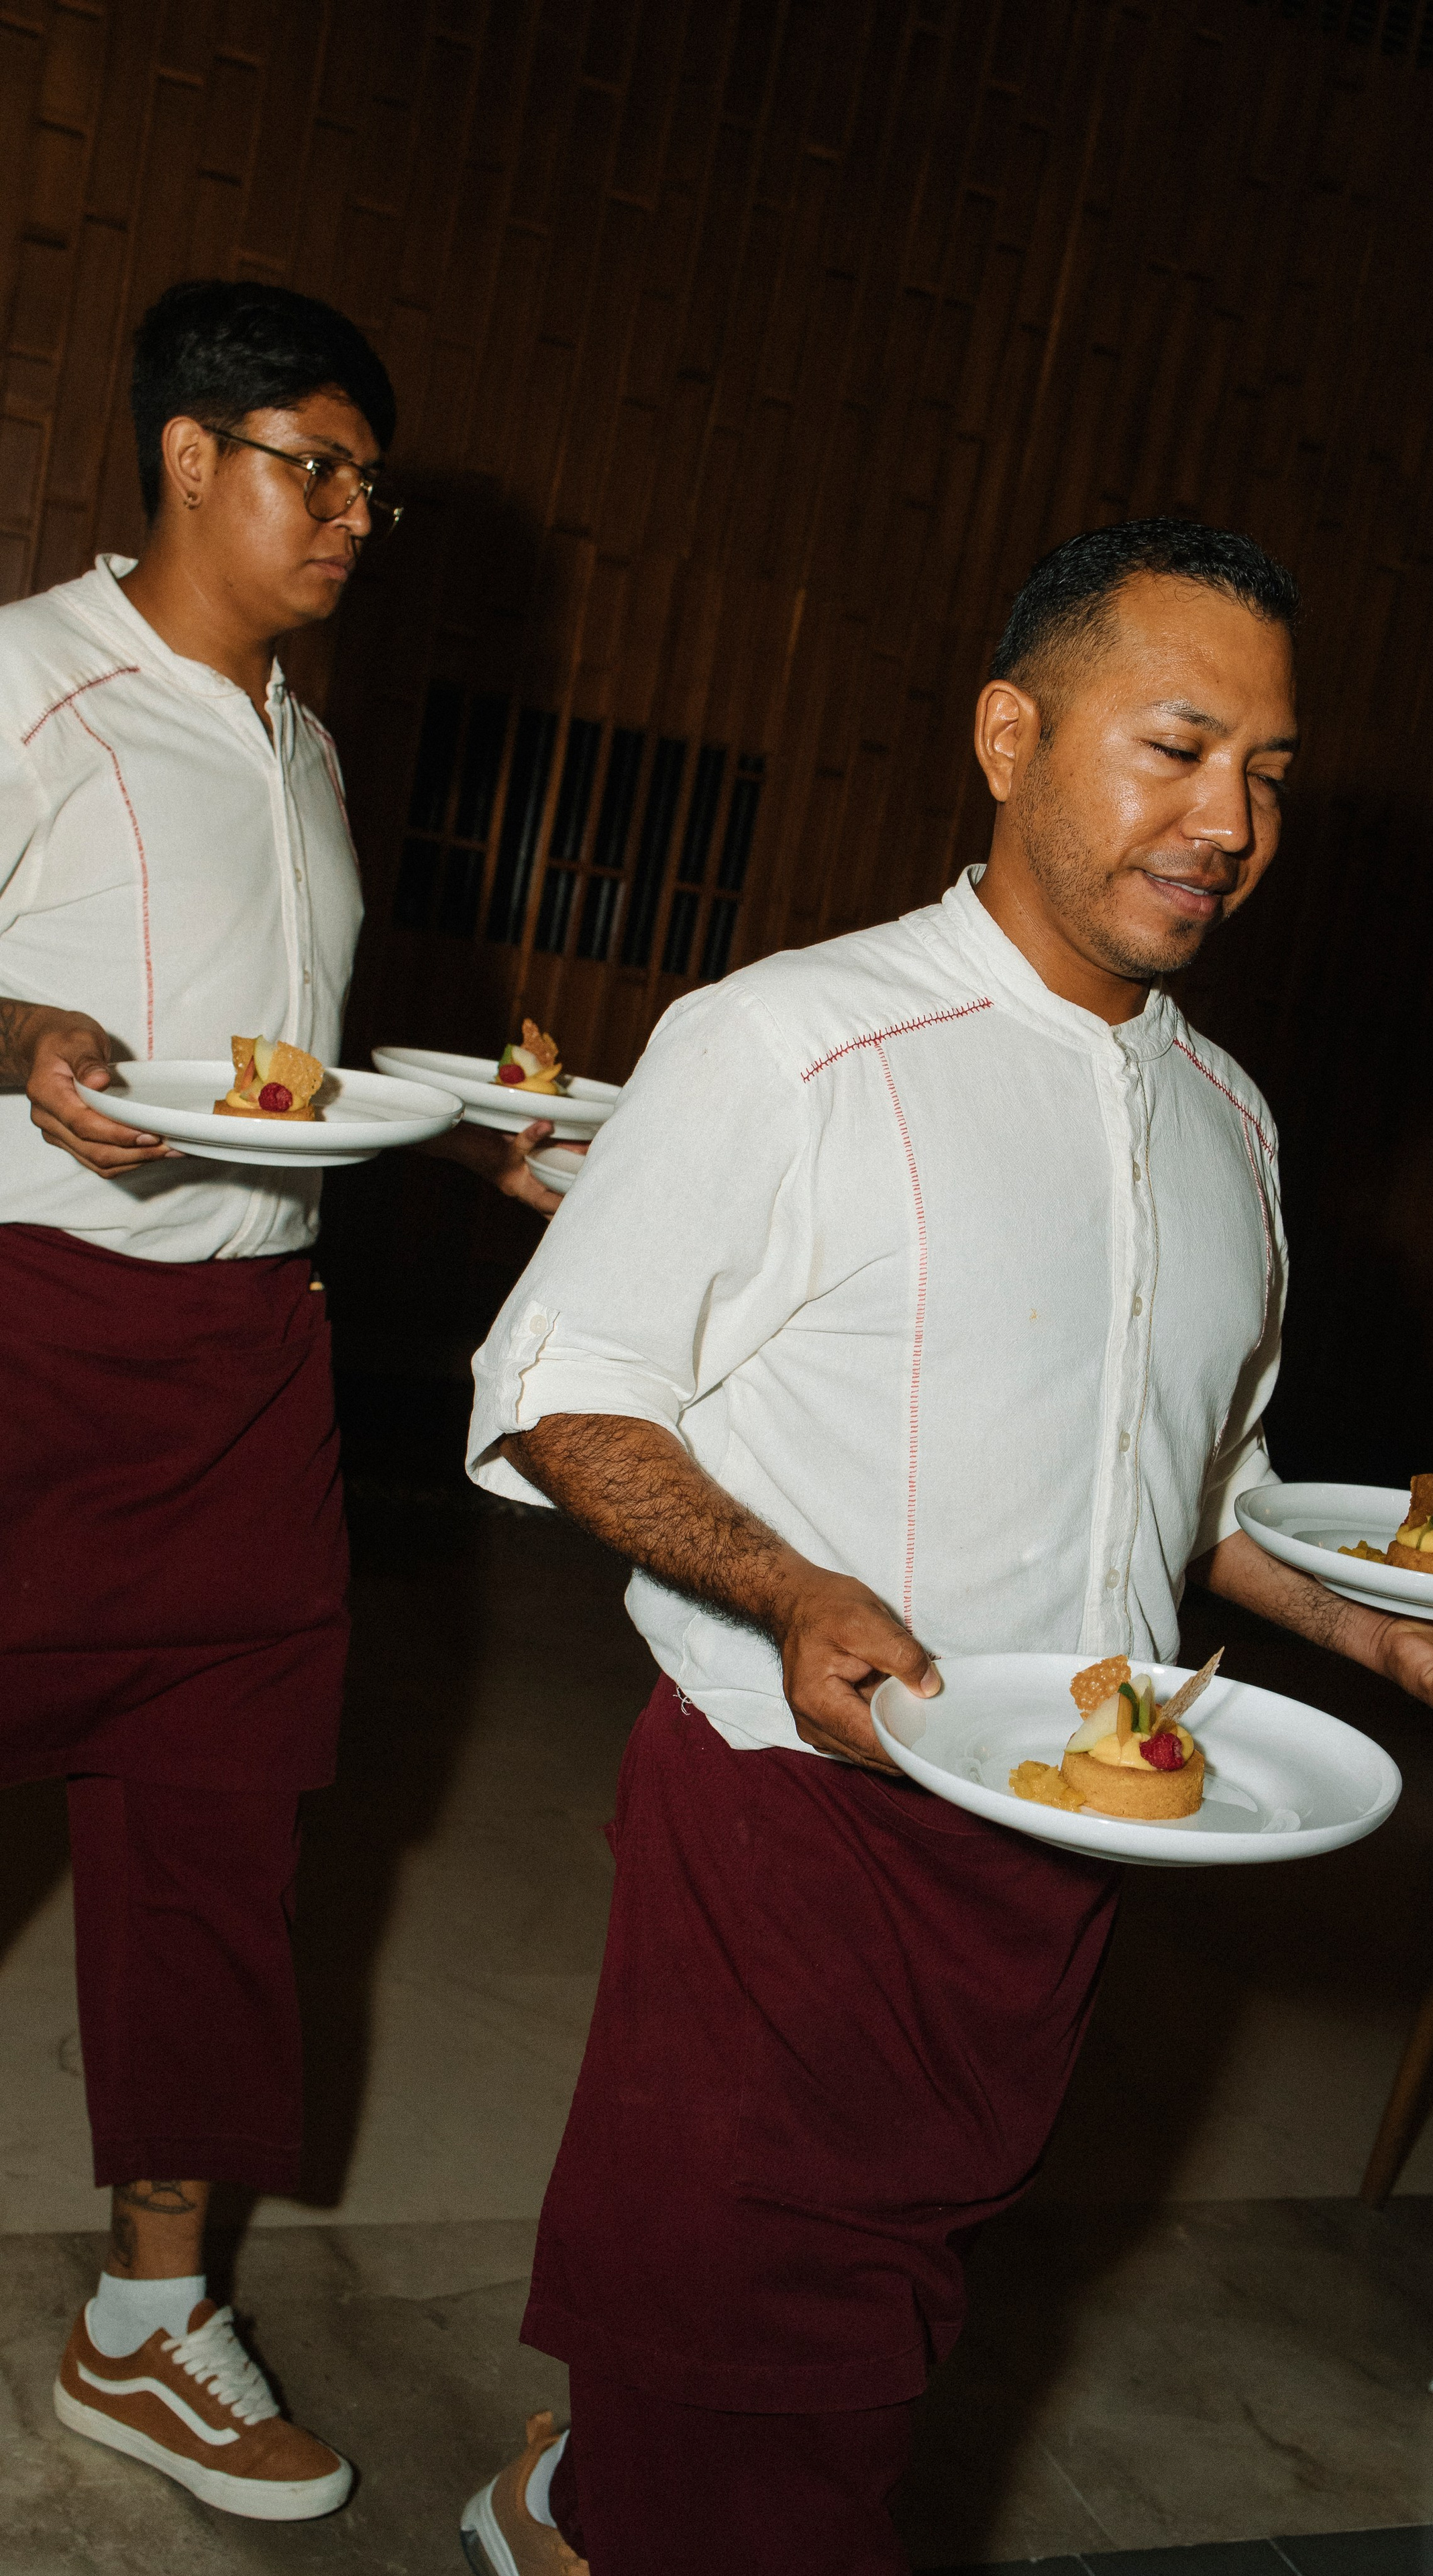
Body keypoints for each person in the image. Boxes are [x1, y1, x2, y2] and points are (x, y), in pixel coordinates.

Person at [460, 518, 1433, 2576]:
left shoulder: (1228, 1119)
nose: (1227, 821)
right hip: (798, 1812)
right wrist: (792, 1590)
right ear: (1008, 734)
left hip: (1076, 1826)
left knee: (895, 2293)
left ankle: (585, 2504)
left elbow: (1191, 1496)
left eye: (1270, 775)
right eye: (1176, 750)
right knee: (785, 2359)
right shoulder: (785, 1041)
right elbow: (554, 1387)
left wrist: (1380, 1632)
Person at [0, 279, 553, 2523]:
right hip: (28, 1324)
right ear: (185, 459)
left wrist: (459, 1126)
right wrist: (23, 1038)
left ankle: (151, 2322)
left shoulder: (306, 738)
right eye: (314, 466)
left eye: (367, 483)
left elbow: (276, 1076)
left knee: (224, 1836)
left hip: (253, 1360)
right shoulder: (30, 680)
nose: (351, 517)